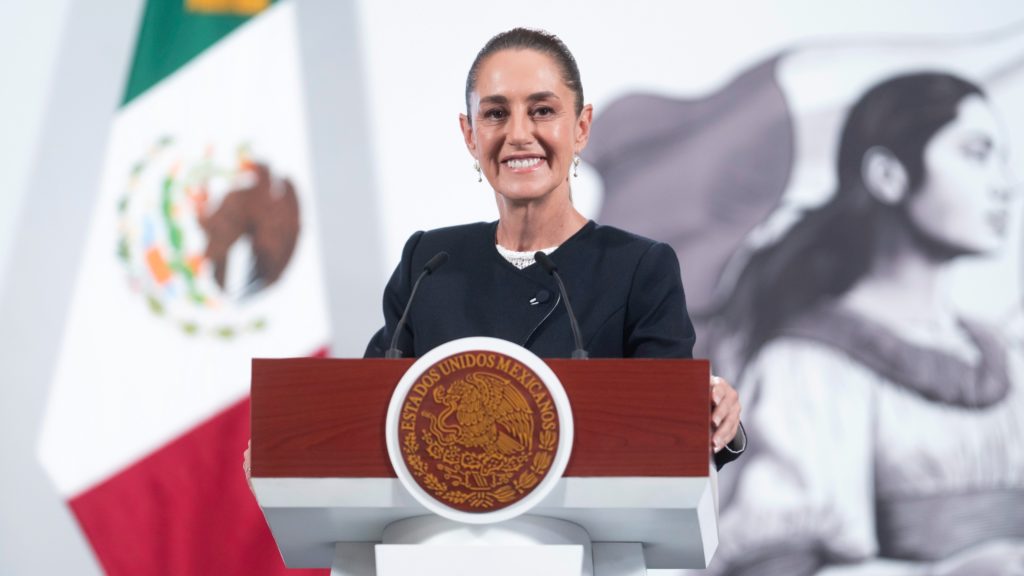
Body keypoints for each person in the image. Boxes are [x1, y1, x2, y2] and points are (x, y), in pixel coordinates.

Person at [362, 28, 745, 467]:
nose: (518, 134)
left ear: (581, 127)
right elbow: (366, 414)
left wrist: (714, 415)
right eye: (495, 114)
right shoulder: (428, 264)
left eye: (542, 111)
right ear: (470, 135)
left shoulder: (638, 268)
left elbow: (672, 427)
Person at [706, 72, 1022, 575]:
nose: (1005, 186)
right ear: (888, 175)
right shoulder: (810, 367)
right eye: (976, 154)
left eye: (1003, 160)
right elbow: (779, 564)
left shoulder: (1008, 360)